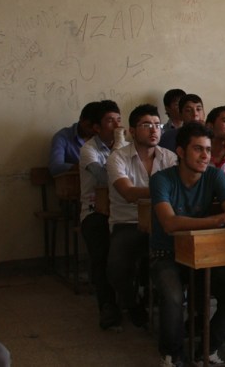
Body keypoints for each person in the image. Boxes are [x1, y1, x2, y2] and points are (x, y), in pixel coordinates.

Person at [150, 122, 225, 367]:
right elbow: (169, 224)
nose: (205, 156)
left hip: (201, 253)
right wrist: (216, 220)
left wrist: (222, 218)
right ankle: (171, 354)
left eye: (207, 150)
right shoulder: (161, 180)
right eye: (198, 149)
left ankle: (207, 348)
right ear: (180, 152)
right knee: (172, 296)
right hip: (166, 253)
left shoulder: (213, 175)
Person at [106, 104, 177, 328]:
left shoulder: (170, 157)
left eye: (158, 125)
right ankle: (131, 304)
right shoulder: (117, 158)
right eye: (147, 125)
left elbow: (180, 191)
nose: (154, 130)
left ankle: (170, 301)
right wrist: (163, 190)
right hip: (129, 222)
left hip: (163, 220)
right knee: (117, 265)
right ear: (132, 131)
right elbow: (128, 193)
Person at [79, 100, 123, 330]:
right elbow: (107, 179)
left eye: (119, 119)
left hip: (122, 211)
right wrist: (119, 147)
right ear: (96, 127)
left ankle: (134, 301)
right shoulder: (89, 149)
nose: (117, 125)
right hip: (95, 212)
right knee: (101, 253)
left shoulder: (129, 146)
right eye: (109, 120)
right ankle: (107, 305)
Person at [48, 101, 99, 176]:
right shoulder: (62, 137)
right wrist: (81, 167)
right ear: (81, 120)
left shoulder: (101, 136)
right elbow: (55, 167)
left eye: (96, 127)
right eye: (89, 126)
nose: (92, 130)